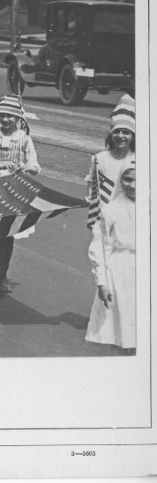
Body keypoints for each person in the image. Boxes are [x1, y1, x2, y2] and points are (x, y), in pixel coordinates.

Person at [0, 95, 40, 296]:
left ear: (18, 118)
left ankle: (2, 275)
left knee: (9, 235)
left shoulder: (24, 138)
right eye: (2, 115)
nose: (5, 119)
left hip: (16, 191)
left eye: (10, 116)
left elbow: (34, 165)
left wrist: (25, 167)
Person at [86, 161, 136, 353]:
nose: (132, 185)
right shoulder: (111, 210)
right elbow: (99, 246)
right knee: (120, 333)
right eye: (127, 179)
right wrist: (102, 282)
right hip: (120, 272)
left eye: (136, 180)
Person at [86, 95, 136, 230]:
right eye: (116, 132)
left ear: (133, 136)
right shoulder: (100, 159)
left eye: (126, 132)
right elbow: (92, 183)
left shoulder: (136, 160)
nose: (120, 136)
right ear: (111, 134)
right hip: (103, 216)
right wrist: (90, 197)